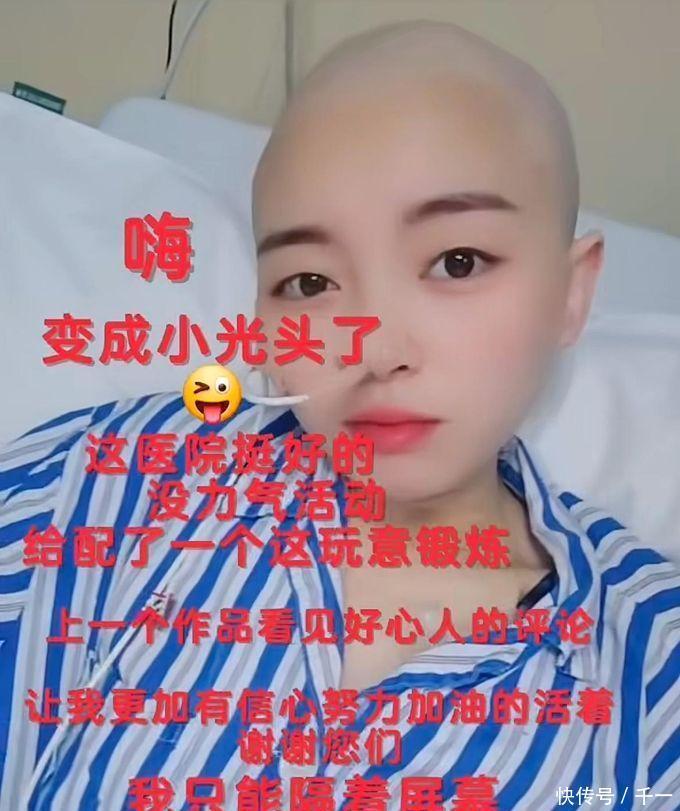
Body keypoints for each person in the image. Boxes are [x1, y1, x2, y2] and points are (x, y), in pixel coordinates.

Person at [1, 19, 679, 811]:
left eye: (456, 262)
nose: (376, 350)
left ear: (571, 293)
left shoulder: (651, 674)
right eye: (310, 284)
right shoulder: (124, 477)